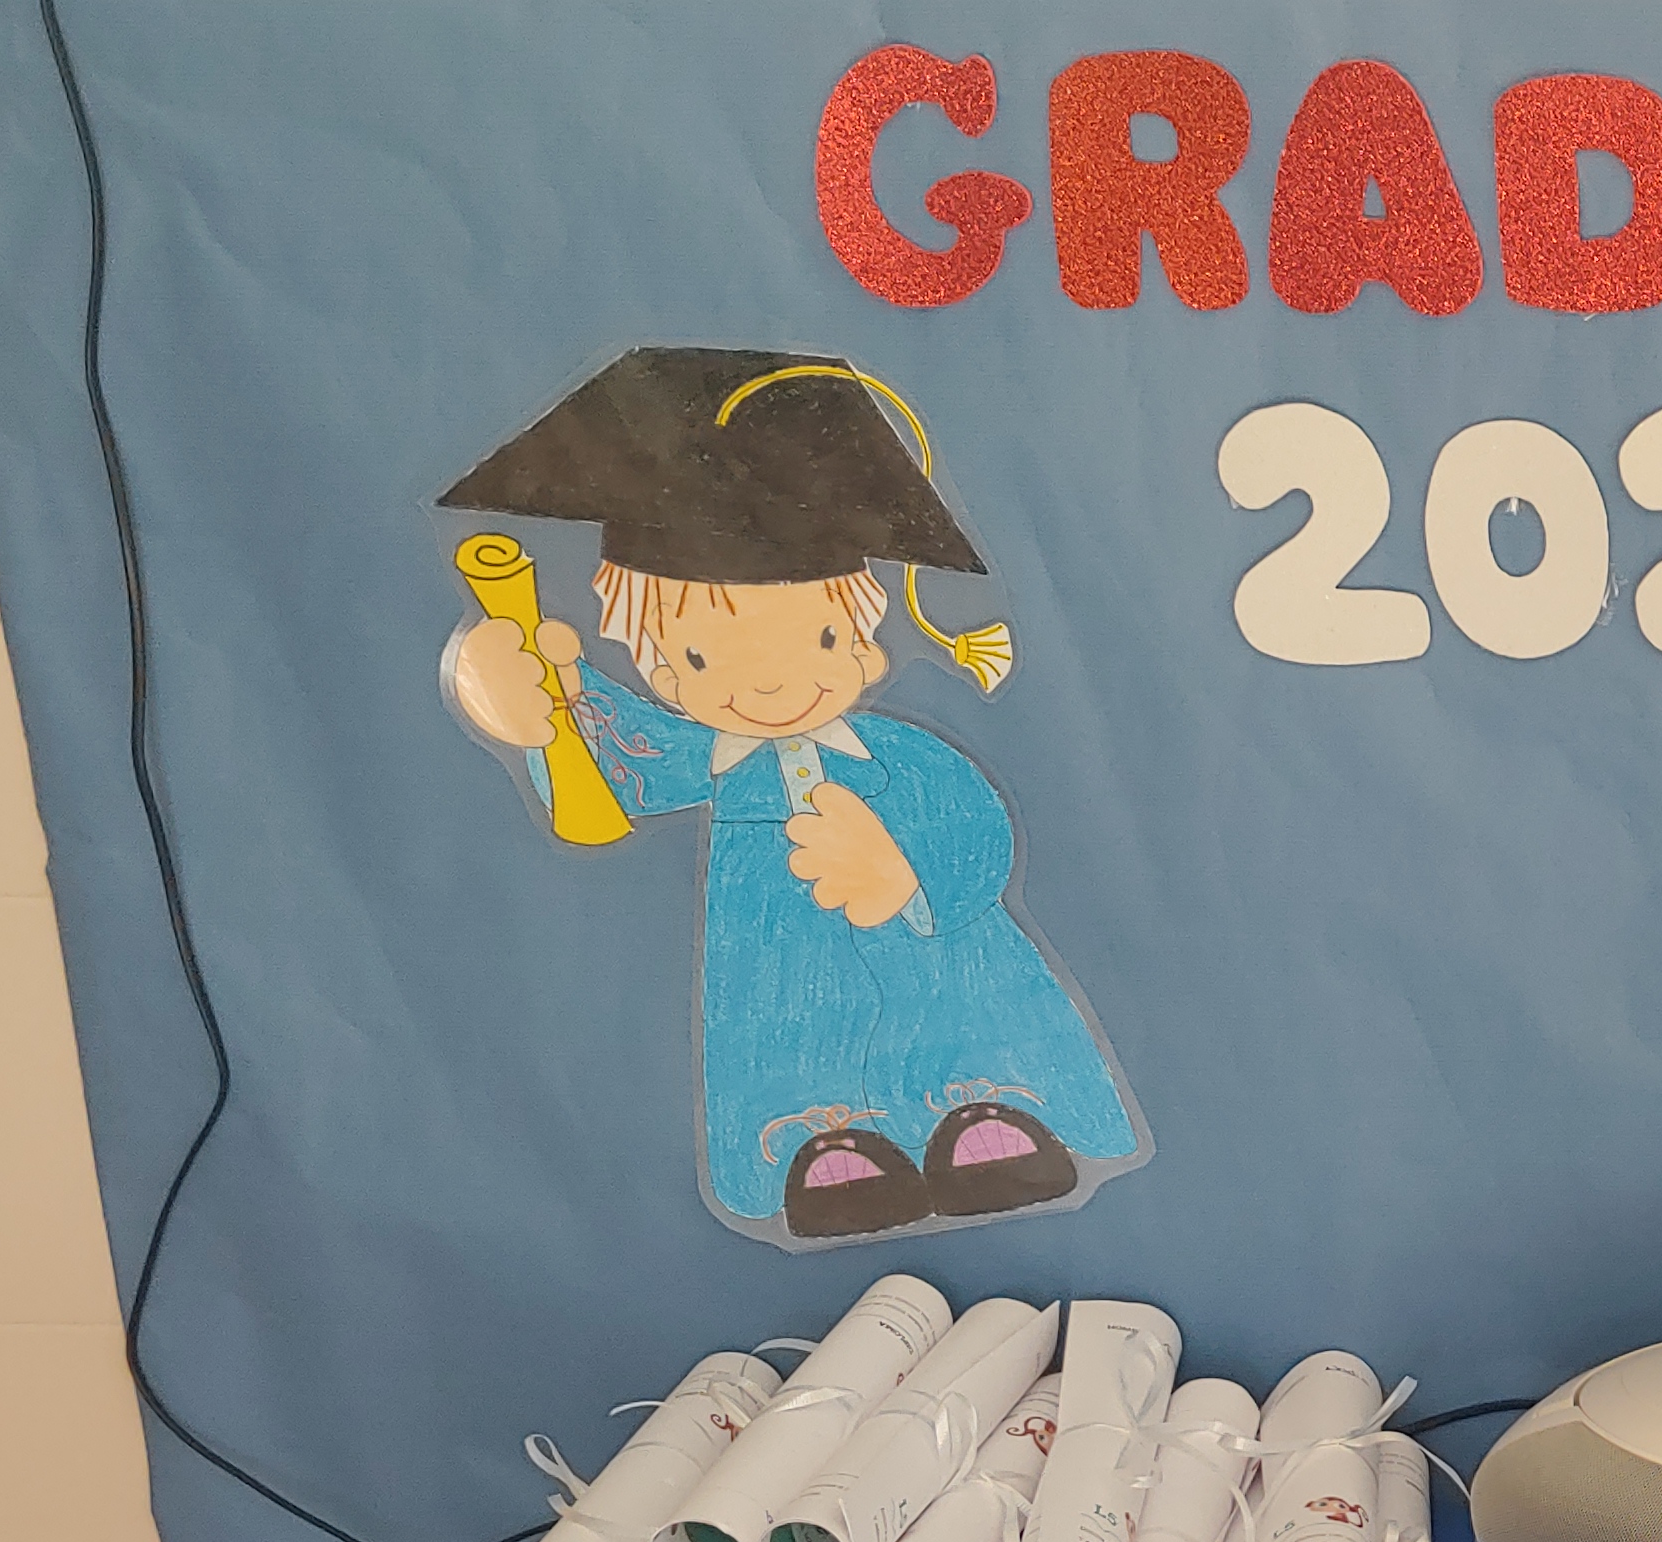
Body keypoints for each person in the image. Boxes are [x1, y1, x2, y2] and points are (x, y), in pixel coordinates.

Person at [437, 346, 1140, 1244]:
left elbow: (971, 823)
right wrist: (535, 703)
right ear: (660, 669)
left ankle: (986, 1114)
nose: (768, 684)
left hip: (941, 959)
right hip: (782, 972)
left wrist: (904, 871)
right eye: (700, 657)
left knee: (966, 1036)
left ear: (864, 646)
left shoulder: (896, 756)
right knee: (797, 1044)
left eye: (818, 640)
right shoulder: (711, 757)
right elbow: (619, 771)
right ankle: (831, 1144)